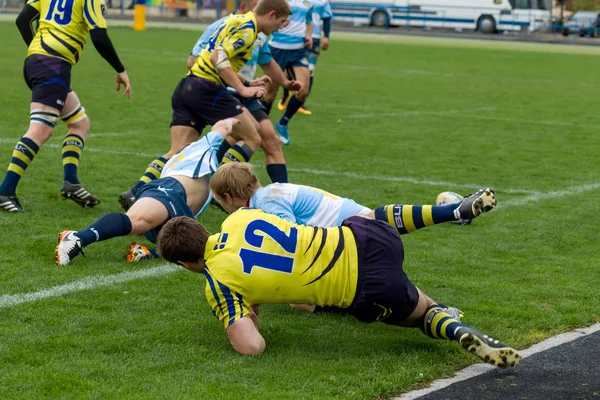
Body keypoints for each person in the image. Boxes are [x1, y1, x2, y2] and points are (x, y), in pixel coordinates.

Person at [156, 210, 521, 368]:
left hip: (364, 286)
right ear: (201, 229)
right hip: (367, 237)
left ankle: (455, 330)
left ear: (183, 263)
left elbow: (253, 347)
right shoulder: (240, 217)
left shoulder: (218, 284)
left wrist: (246, 314)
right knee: (360, 221)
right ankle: (451, 215)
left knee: (418, 312)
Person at [117, 0, 292, 211]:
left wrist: (247, 82)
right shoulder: (248, 29)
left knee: (179, 151)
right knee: (253, 135)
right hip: (207, 90)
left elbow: (213, 57)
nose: (281, 26)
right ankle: (222, 190)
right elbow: (219, 58)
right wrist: (242, 89)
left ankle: (136, 192)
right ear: (271, 15)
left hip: (188, 86)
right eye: (281, 22)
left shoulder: (234, 22)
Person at [0, 0, 131, 213]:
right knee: (41, 129)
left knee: (79, 123)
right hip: (53, 65)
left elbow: (22, 20)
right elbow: (99, 36)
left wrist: (38, 50)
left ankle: (70, 182)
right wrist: (120, 69)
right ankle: (5, 191)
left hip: (39, 61)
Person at [55, 118, 239, 266]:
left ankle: (145, 252)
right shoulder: (202, 148)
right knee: (137, 221)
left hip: (179, 213)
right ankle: (77, 237)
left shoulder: (189, 162)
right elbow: (222, 126)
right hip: (171, 191)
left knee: (198, 250)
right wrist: (234, 119)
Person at [263, 0, 314, 145]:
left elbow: (309, 21)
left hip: (298, 51)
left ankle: (283, 123)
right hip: (276, 50)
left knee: (303, 91)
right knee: (270, 95)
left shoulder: (308, 2)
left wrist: (308, 36)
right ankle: (260, 130)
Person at [278, 0, 331, 116]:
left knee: (310, 70)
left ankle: (300, 102)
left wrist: (326, 36)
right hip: (297, 38)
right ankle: (286, 94)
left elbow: (326, 18)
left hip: (314, 38)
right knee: (287, 69)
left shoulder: (322, 2)